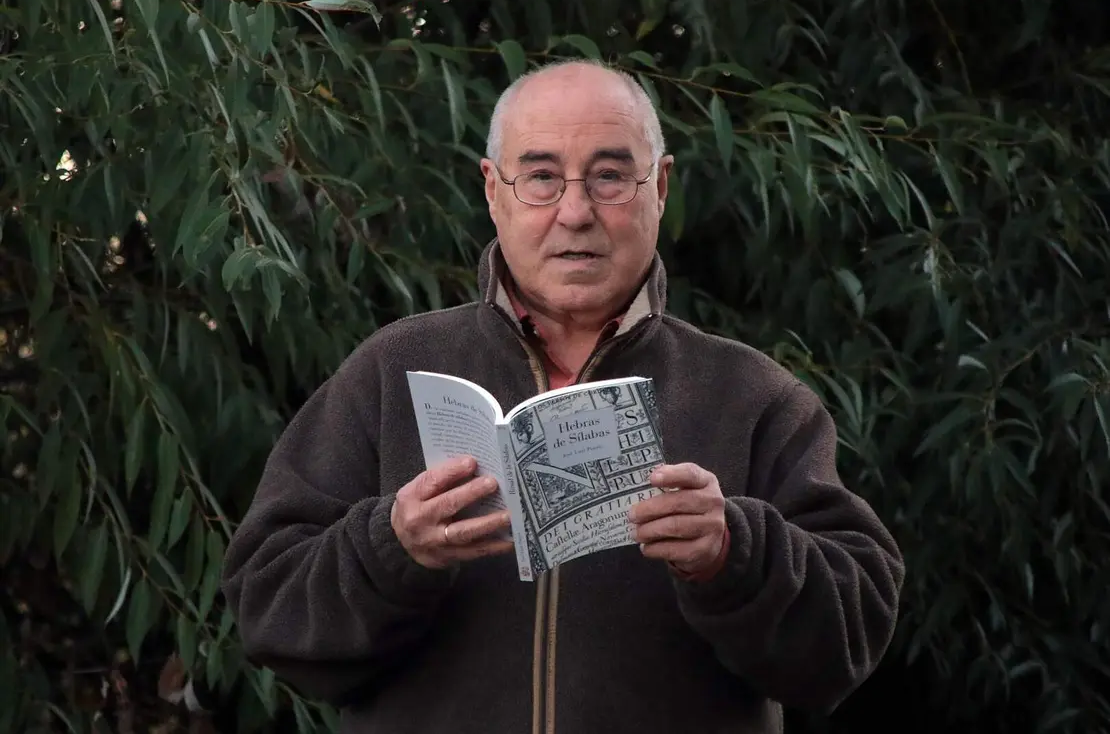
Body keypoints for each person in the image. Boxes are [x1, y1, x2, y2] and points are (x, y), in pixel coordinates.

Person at [221, 59, 905, 734]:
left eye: (610, 176)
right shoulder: (392, 371)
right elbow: (268, 609)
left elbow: (847, 645)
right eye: (542, 178)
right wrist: (391, 550)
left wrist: (735, 555)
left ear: (659, 187)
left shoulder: (752, 395)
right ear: (494, 191)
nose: (575, 212)